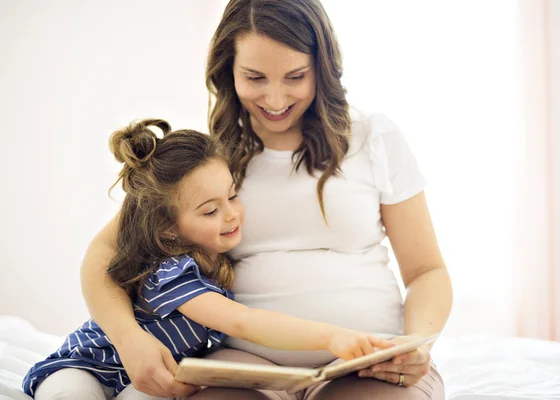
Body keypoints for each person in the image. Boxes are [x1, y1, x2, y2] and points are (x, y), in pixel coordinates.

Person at [80, 1, 453, 399]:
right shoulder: (210, 159)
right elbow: (104, 253)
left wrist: (417, 345)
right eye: (255, 77)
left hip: (368, 362)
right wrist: (127, 339)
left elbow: (426, 271)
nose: (275, 99)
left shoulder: (373, 138)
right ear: (229, 70)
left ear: (322, 68)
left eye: (295, 76)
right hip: (244, 366)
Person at [22, 119, 395, 400]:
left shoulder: (211, 272)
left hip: (148, 378)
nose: (231, 215)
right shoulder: (171, 273)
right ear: (168, 228)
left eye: (232, 197)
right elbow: (243, 323)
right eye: (209, 211)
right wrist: (332, 336)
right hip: (86, 367)